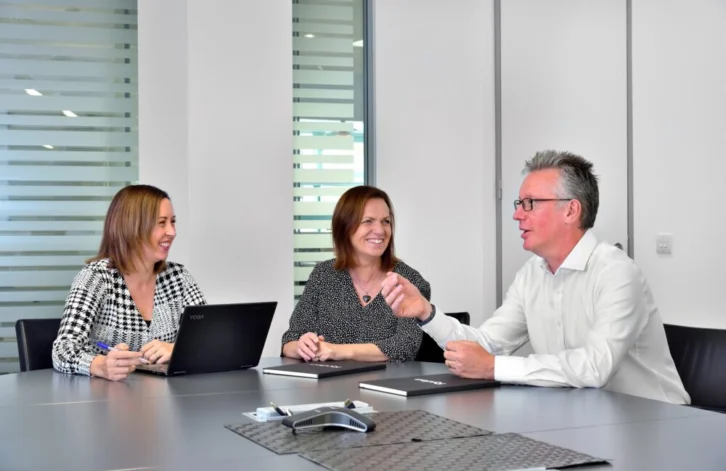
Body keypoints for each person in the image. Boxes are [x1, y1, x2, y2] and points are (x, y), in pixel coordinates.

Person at [382, 150, 690, 404]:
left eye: (530, 203)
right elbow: (487, 346)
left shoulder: (617, 272)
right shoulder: (532, 273)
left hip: (656, 422)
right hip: (585, 416)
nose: (517, 214)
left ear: (571, 210)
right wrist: (426, 313)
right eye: (519, 204)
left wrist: (493, 367)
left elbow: (595, 367)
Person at [52, 185, 207, 381]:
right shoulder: (95, 278)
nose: (172, 232)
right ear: (133, 228)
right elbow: (62, 351)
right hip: (105, 396)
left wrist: (176, 348)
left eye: (172, 222)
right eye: (162, 223)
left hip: (169, 396)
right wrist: (100, 365)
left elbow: (209, 339)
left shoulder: (178, 277)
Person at [282, 185, 429, 363]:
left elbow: (404, 346)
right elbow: (290, 340)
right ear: (345, 226)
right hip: (332, 381)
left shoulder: (408, 281)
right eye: (368, 221)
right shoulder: (323, 275)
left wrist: (336, 351)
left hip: (389, 380)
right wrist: (303, 346)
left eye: (385, 221)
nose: (380, 230)